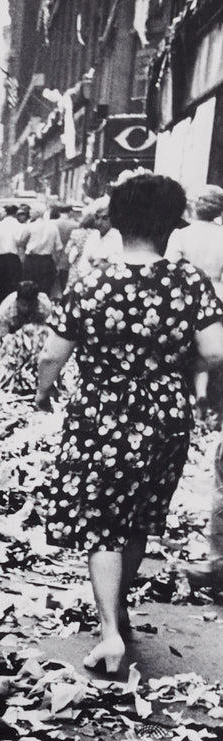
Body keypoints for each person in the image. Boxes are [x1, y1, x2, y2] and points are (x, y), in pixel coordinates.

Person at [35, 173, 223, 678]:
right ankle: (118, 605)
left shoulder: (93, 281)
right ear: (171, 225)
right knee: (139, 517)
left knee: (103, 524)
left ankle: (109, 632)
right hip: (165, 413)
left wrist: (43, 392)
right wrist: (175, 369)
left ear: (116, 221)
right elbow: (215, 349)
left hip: (102, 413)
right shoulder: (188, 282)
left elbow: (53, 352)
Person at [167, 186, 223, 590]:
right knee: (211, 358)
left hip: (188, 304)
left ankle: (194, 398)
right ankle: (206, 398)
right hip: (218, 304)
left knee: (188, 361)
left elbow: (170, 273)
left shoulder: (182, 237)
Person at [0, 279, 52, 394]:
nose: (27, 308)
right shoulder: (6, 311)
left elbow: (50, 335)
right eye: (23, 304)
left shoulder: (45, 307)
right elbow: (1, 339)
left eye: (31, 304)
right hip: (12, 335)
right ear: (18, 301)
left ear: (36, 301)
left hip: (36, 335)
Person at [19, 207, 63, 297]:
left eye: (32, 211)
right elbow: (59, 247)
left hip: (31, 261)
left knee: (29, 288)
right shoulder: (53, 227)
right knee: (45, 290)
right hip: (47, 261)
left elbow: (21, 242)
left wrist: (23, 257)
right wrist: (57, 263)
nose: (30, 213)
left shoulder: (30, 226)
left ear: (38, 213)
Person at [0, 204, 28, 306]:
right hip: (14, 259)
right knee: (13, 286)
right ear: (15, 213)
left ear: (6, 213)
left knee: (0, 286)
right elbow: (20, 242)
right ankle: (11, 307)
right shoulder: (19, 226)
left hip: (0, 259)